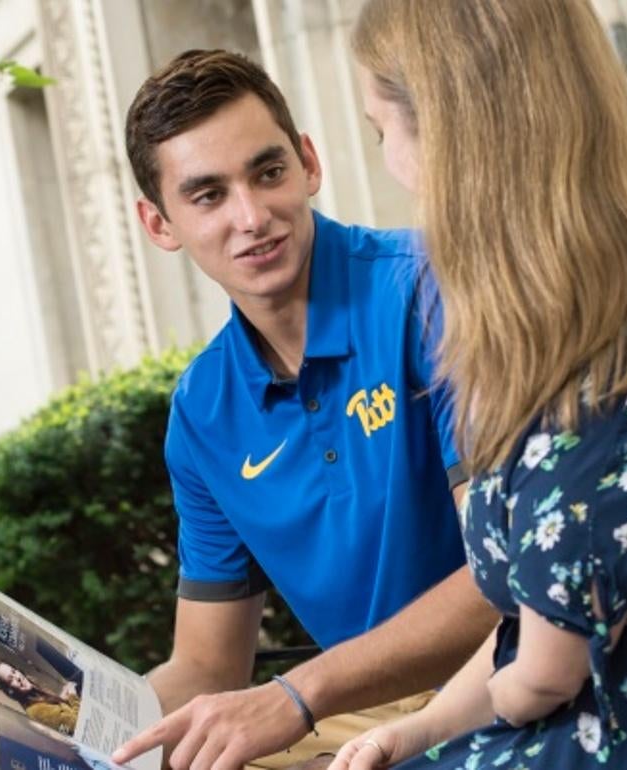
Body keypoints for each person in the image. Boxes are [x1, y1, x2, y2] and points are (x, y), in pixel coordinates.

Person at [328, 1, 627, 769]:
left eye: (382, 131)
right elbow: (532, 624)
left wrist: (462, 720)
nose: (392, 166)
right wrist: (415, 731)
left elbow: (542, 672)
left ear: (448, 130)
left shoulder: (606, 342)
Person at [112, 49, 498, 770]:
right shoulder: (203, 412)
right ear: (159, 224)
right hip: (358, 715)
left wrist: (297, 694)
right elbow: (206, 667)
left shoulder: (430, 291)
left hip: (508, 674)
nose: (253, 217)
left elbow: (509, 572)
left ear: (309, 164)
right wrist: (95, 730)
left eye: (268, 172)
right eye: (208, 196)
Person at [0, 659, 81, 736]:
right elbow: (76, 725)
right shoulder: (36, 711)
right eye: (10, 679)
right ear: (10, 690)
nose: (17, 677)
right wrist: (73, 695)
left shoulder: (36, 697)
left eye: (14, 671)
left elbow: (58, 715)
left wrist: (62, 698)